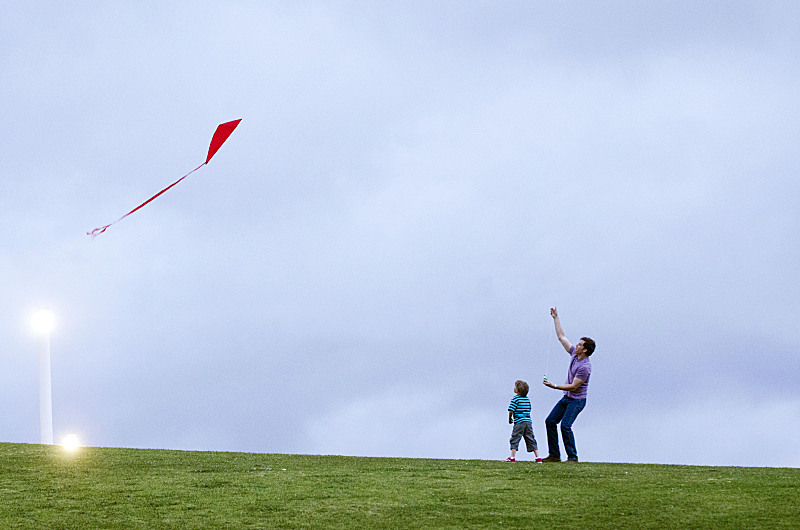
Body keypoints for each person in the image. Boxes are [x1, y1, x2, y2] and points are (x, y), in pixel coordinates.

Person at [542, 307, 595, 463]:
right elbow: (561, 336)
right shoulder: (574, 354)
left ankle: (572, 457)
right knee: (550, 421)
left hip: (577, 401)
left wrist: (555, 386)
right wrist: (555, 317)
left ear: (585, 350)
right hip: (567, 398)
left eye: (579, 345)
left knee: (565, 425)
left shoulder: (585, 367)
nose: (576, 346)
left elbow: (574, 387)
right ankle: (554, 455)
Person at [504, 380, 542, 463]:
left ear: (517, 390)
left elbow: (511, 410)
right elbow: (529, 409)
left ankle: (512, 457)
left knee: (515, 438)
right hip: (528, 422)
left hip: (519, 422)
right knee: (531, 438)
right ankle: (538, 457)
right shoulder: (527, 399)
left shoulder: (515, 399)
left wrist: (510, 418)